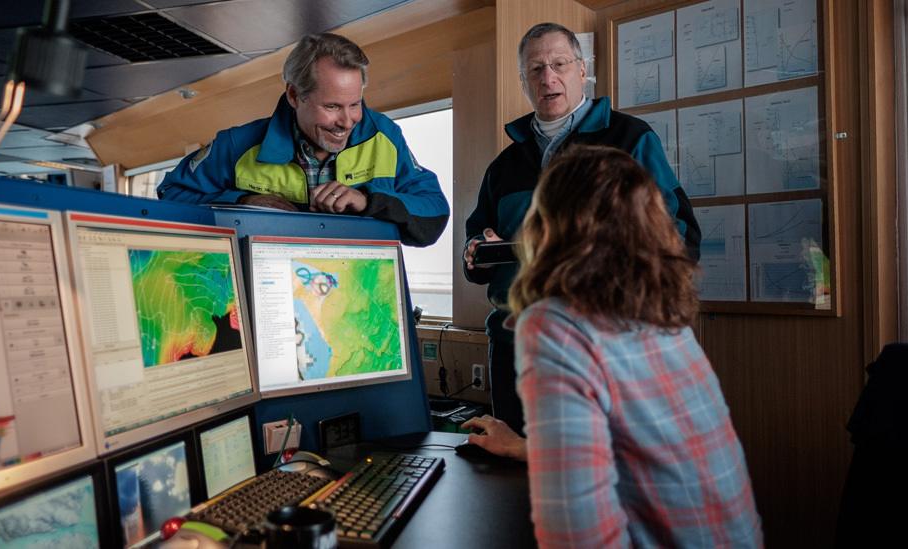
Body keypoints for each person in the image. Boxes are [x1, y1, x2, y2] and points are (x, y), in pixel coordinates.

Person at [470, 144, 761, 547]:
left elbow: (577, 537)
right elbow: (638, 449)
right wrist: (525, 447)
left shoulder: (556, 325)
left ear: (547, 228)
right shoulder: (661, 315)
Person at [464, 22, 701, 434]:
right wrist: (476, 253)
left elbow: (678, 239)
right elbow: (475, 253)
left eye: (559, 64)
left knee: (590, 478)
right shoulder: (503, 166)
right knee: (509, 484)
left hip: (598, 348)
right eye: (535, 69)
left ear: (582, 69)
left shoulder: (629, 138)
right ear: (523, 81)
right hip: (512, 350)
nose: (548, 78)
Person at [157, 33, 449, 247]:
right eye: (332, 107)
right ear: (295, 96)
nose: (347, 122)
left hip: (360, 301)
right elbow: (172, 194)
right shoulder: (237, 145)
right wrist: (243, 202)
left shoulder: (385, 136)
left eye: (355, 104)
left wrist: (369, 200)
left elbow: (434, 211)